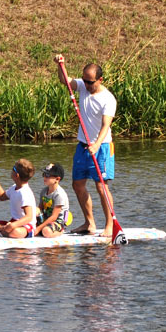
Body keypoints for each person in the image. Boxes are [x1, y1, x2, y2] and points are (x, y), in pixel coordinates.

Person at [54, 53, 116, 237]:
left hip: (102, 147)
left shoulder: (108, 99)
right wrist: (60, 65)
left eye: (91, 82)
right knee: (77, 185)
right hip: (82, 146)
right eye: (85, 81)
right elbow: (65, 81)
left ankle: (110, 225)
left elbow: (106, 125)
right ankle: (89, 223)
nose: (87, 85)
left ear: (100, 79)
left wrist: (97, 144)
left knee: (101, 186)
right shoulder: (82, 86)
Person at [0, 159, 38, 238]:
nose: (11, 170)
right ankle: (0, 230)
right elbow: (1, 196)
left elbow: (29, 217)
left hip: (26, 226)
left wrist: (12, 226)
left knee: (14, 232)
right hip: (13, 223)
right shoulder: (14, 187)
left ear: (16, 175)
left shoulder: (25, 193)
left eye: (13, 168)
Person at [35, 163, 71, 238]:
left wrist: (38, 228)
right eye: (44, 174)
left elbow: (54, 217)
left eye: (47, 175)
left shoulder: (59, 194)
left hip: (57, 221)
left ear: (57, 179)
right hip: (46, 218)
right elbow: (40, 208)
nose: (44, 177)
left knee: (46, 231)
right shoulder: (44, 191)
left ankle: (60, 232)